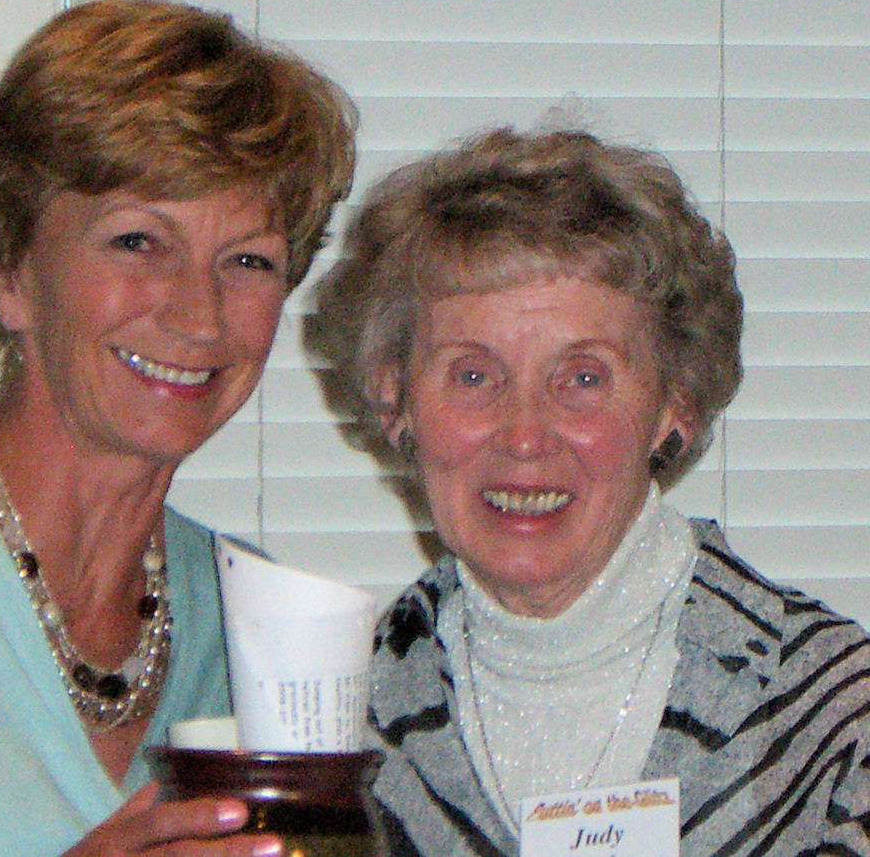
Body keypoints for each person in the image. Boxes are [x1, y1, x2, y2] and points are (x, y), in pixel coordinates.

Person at [0, 0, 356, 857]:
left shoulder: (259, 622)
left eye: (248, 260)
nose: (199, 314)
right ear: (8, 270)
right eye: (137, 241)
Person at [308, 126, 870, 856]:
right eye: (473, 375)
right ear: (396, 401)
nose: (524, 435)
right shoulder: (338, 727)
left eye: (582, 378)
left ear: (675, 401)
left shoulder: (831, 717)